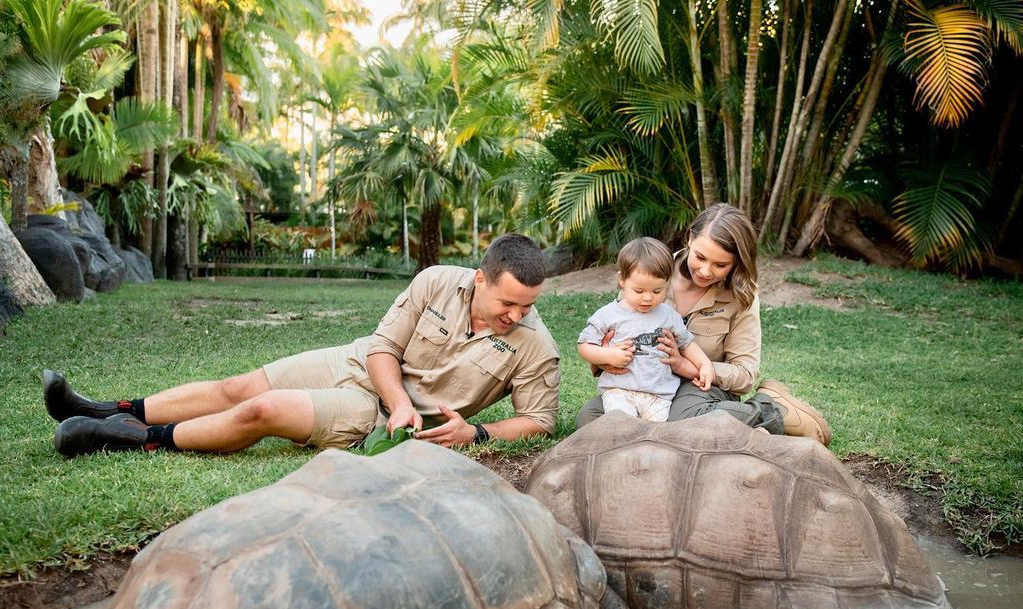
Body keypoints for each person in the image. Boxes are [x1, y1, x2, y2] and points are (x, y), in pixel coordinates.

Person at [46, 234, 561, 457]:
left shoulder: (535, 344)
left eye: (527, 306)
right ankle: (104, 409)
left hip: (377, 415)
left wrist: (477, 432)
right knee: (238, 386)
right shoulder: (436, 281)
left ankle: (136, 438)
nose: (517, 316)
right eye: (508, 303)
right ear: (480, 278)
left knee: (263, 410)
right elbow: (383, 347)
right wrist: (400, 396)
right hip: (361, 364)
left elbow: (539, 421)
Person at [575, 203, 832, 445]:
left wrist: (685, 366)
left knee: (681, 419)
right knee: (592, 420)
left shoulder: (742, 294)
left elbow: (744, 375)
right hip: (646, 383)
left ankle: (770, 409)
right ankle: (741, 430)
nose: (706, 271)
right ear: (689, 238)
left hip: (702, 388)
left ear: (736, 262)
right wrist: (605, 358)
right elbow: (613, 333)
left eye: (721, 265)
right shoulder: (652, 270)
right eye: (700, 257)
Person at [578, 237, 714, 422]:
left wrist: (704, 364)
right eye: (639, 291)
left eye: (657, 291)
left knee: (656, 432)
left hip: (659, 394)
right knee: (621, 425)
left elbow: (686, 343)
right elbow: (584, 345)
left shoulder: (668, 315)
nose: (648, 298)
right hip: (619, 390)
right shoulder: (608, 314)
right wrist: (608, 355)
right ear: (622, 280)